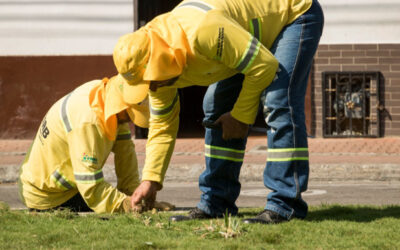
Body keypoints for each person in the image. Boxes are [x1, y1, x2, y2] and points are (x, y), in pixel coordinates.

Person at [114, 0, 324, 223]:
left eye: (150, 82)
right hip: (243, 37)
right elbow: (162, 125)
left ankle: (286, 205)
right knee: (214, 105)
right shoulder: (155, 75)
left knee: (278, 101)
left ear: (163, 60)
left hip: (293, 15)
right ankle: (216, 203)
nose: (151, 89)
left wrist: (241, 117)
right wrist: (151, 180)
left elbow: (264, 66)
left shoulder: (203, 31)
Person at [18, 76, 172, 213]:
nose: (132, 120)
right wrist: (125, 205)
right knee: (105, 204)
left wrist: (135, 194)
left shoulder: (106, 95)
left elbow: (125, 151)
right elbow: (90, 186)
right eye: (131, 114)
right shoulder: (88, 123)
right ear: (122, 106)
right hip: (47, 195)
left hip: (57, 186)